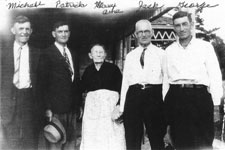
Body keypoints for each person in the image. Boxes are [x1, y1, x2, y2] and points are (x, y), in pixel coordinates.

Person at [164, 11, 223, 150]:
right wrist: (166, 107)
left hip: (200, 97)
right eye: (177, 25)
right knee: (179, 140)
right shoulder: (169, 50)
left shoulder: (205, 47)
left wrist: (215, 105)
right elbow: (166, 80)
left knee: (203, 142)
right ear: (174, 28)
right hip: (176, 97)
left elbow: (215, 75)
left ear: (191, 25)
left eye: (185, 24)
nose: (182, 28)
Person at [119, 19, 167, 150]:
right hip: (134, 96)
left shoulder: (162, 54)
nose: (144, 35)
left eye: (147, 31)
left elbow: (166, 80)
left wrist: (164, 104)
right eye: (140, 32)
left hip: (154, 96)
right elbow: (125, 82)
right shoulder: (130, 56)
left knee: (156, 137)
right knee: (132, 138)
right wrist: (122, 107)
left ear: (152, 32)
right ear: (135, 34)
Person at [38, 21, 82, 150]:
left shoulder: (73, 53)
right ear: (53, 34)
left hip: (72, 107)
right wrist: (47, 108)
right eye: (60, 31)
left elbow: (76, 81)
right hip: (56, 109)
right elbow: (42, 84)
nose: (63, 34)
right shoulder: (46, 53)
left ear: (69, 33)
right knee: (55, 143)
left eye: (66, 31)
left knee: (70, 144)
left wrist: (78, 104)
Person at [0, 15, 40, 150]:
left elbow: (42, 83)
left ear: (31, 31)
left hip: (30, 99)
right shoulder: (3, 52)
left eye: (27, 29)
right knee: (11, 142)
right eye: (21, 28)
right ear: (13, 30)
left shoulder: (37, 53)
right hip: (8, 100)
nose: (24, 32)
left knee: (30, 141)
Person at [79, 44, 126, 150]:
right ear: (90, 55)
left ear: (105, 55)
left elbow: (122, 89)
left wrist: (119, 106)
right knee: (93, 135)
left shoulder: (113, 69)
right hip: (93, 110)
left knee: (111, 135)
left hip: (110, 109)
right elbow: (81, 88)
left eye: (101, 52)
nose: (98, 54)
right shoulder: (88, 71)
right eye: (95, 52)